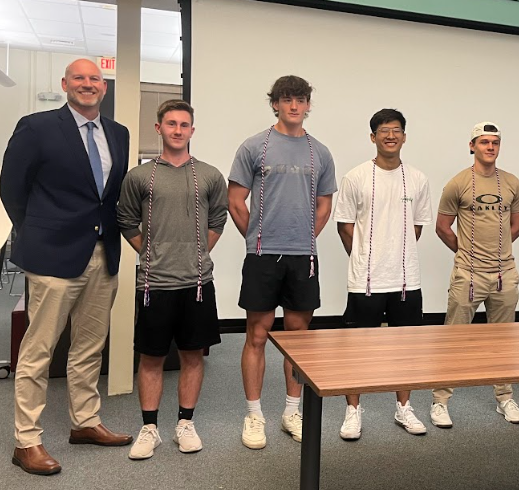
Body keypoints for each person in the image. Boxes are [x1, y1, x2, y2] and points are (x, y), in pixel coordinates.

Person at [1, 59, 132, 475]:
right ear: (65, 84)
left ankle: (86, 422)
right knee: (39, 350)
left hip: (102, 254)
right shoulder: (37, 126)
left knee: (89, 348)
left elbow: (108, 197)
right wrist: (36, 232)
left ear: (104, 88)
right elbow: (11, 187)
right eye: (79, 78)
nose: (87, 84)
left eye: (94, 79)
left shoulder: (118, 133)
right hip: (53, 256)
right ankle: (27, 440)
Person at [228, 75, 337, 449]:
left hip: (302, 257)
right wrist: (256, 236)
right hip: (262, 257)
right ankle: (254, 414)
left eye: (301, 99)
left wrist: (304, 237)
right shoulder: (254, 146)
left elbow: (325, 203)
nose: (294, 105)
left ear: (308, 105)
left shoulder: (319, 152)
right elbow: (235, 200)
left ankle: (292, 411)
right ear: (274, 103)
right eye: (286, 99)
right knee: (257, 335)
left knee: (298, 340)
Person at [117, 100, 228, 460]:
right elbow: (127, 221)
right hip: (154, 284)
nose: (178, 130)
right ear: (159, 128)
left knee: (192, 355)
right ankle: (149, 428)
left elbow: (217, 221)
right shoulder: (140, 176)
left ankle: (185, 423)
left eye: (184, 125)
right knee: (151, 358)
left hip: (197, 282)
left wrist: (194, 252)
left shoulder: (210, 175)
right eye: (171, 124)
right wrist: (151, 252)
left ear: (192, 131)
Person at [334, 109, 433, 440]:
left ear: (405, 136)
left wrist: (394, 255)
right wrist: (364, 257)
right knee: (356, 349)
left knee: (407, 350)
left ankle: (404, 407)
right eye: (383, 130)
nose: (390, 135)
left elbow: (416, 228)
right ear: (373, 137)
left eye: (396, 130)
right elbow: (345, 225)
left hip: (407, 280)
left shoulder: (417, 179)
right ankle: (352, 411)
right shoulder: (356, 177)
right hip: (365, 281)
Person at [431, 122, 519, 427]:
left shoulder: (512, 183)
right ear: (472, 146)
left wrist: (497, 255)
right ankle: (440, 401)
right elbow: (442, 227)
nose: (490, 147)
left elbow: (516, 227)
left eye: (495, 142)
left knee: (503, 340)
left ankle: (505, 398)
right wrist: (466, 252)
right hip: (468, 274)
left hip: (504, 275)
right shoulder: (457, 184)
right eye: (484, 142)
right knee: (455, 339)